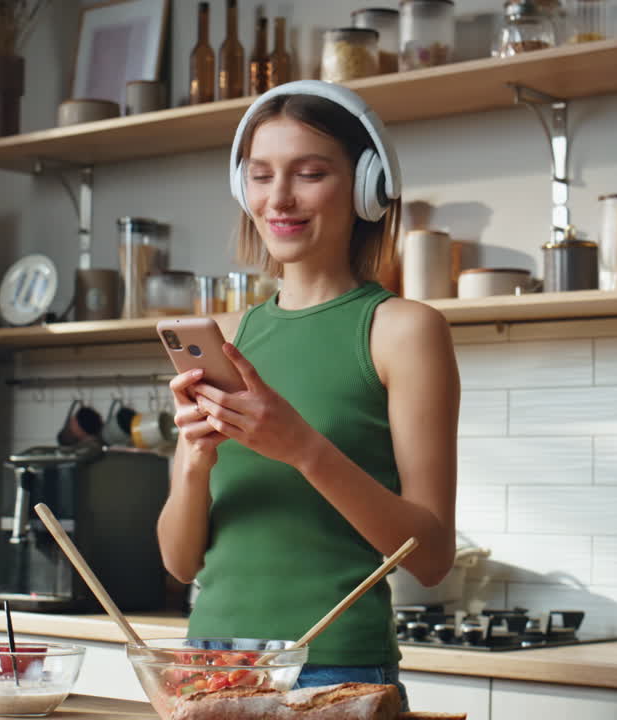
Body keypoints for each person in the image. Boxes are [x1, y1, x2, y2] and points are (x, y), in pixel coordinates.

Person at [156, 80, 459, 709]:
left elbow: (430, 557)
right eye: (261, 176)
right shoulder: (228, 337)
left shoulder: (403, 330)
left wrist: (299, 446)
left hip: (334, 674)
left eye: (310, 173)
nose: (280, 198)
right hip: (209, 669)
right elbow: (180, 564)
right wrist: (194, 464)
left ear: (367, 186)